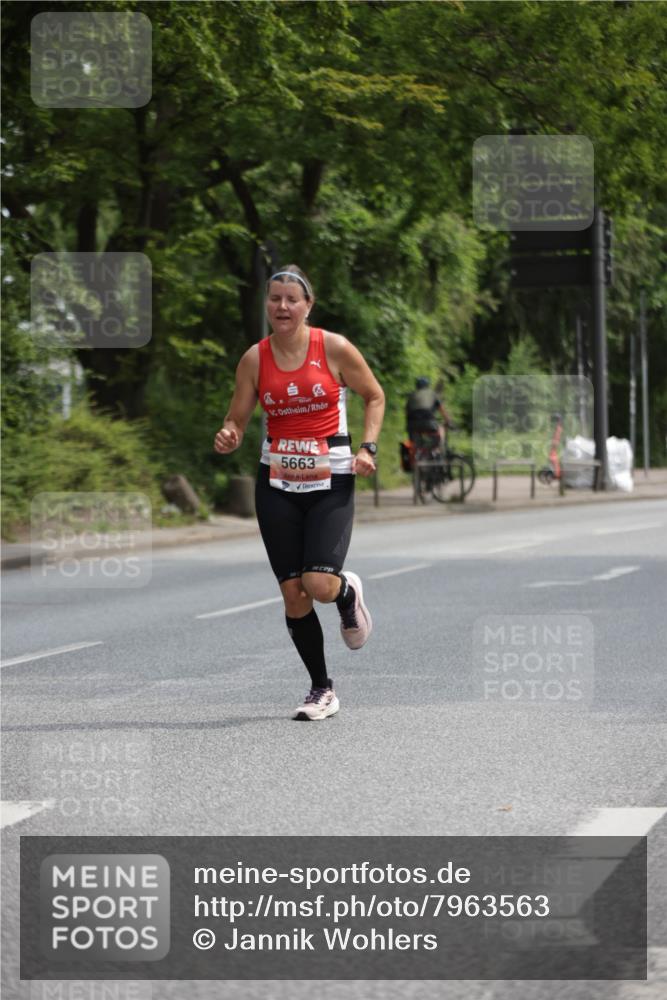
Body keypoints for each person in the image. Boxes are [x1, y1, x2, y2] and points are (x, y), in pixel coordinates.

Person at [214, 265, 385, 721]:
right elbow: (237, 418)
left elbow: (374, 395)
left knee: (320, 584)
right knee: (294, 594)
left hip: (331, 480)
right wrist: (230, 433)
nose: (282, 307)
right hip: (276, 484)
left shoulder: (333, 348)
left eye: (292, 299)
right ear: (266, 304)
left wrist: (367, 447)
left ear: (308, 306)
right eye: (274, 299)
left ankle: (346, 594)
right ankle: (321, 689)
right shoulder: (255, 359)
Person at [405, 376, 451, 447]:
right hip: (429, 422)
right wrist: (448, 420)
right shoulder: (432, 394)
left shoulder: (412, 395)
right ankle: (439, 450)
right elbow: (442, 410)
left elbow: (406, 411)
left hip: (412, 424)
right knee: (441, 429)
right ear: (427, 385)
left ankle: (413, 451)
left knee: (412, 441)